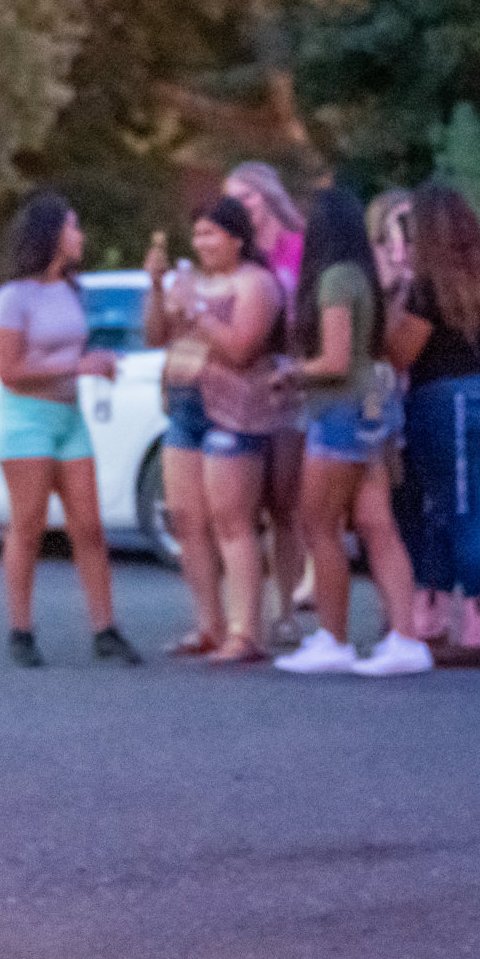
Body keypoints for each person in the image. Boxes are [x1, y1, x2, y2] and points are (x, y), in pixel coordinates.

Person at [274, 185, 430, 676]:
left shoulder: (333, 280)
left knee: (317, 523)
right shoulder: (360, 274)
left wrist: (291, 373)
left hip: (339, 410)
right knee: (377, 525)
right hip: (373, 405)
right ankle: (406, 637)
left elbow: (336, 359)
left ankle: (333, 637)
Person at [0, 192, 137, 670]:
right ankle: (20, 630)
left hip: (70, 419)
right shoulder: (13, 297)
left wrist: (94, 368)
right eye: (73, 227)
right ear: (51, 234)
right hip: (27, 421)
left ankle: (105, 628)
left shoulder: (72, 289)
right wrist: (79, 365)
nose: (81, 236)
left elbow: (67, 356)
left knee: (90, 527)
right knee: (28, 527)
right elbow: (8, 370)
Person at [143, 194, 282, 662]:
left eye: (211, 234)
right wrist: (158, 287)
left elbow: (242, 349)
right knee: (187, 520)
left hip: (233, 410)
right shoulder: (190, 282)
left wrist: (197, 309)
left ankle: (245, 631)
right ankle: (208, 624)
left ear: (236, 238)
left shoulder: (255, 283)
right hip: (183, 406)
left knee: (232, 521)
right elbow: (155, 335)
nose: (202, 244)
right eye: (197, 234)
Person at [385, 183, 480, 668]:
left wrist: (394, 298)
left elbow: (402, 352)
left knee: (455, 511)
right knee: (458, 506)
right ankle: (434, 612)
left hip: (444, 398)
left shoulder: (429, 286)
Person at [222, 160, 311, 642]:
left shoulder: (298, 247)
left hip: (292, 380)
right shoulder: (239, 255)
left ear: (269, 197)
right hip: (246, 385)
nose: (241, 208)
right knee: (243, 506)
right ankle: (245, 614)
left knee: (286, 505)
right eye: (232, 199)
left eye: (248, 197)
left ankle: (288, 610)